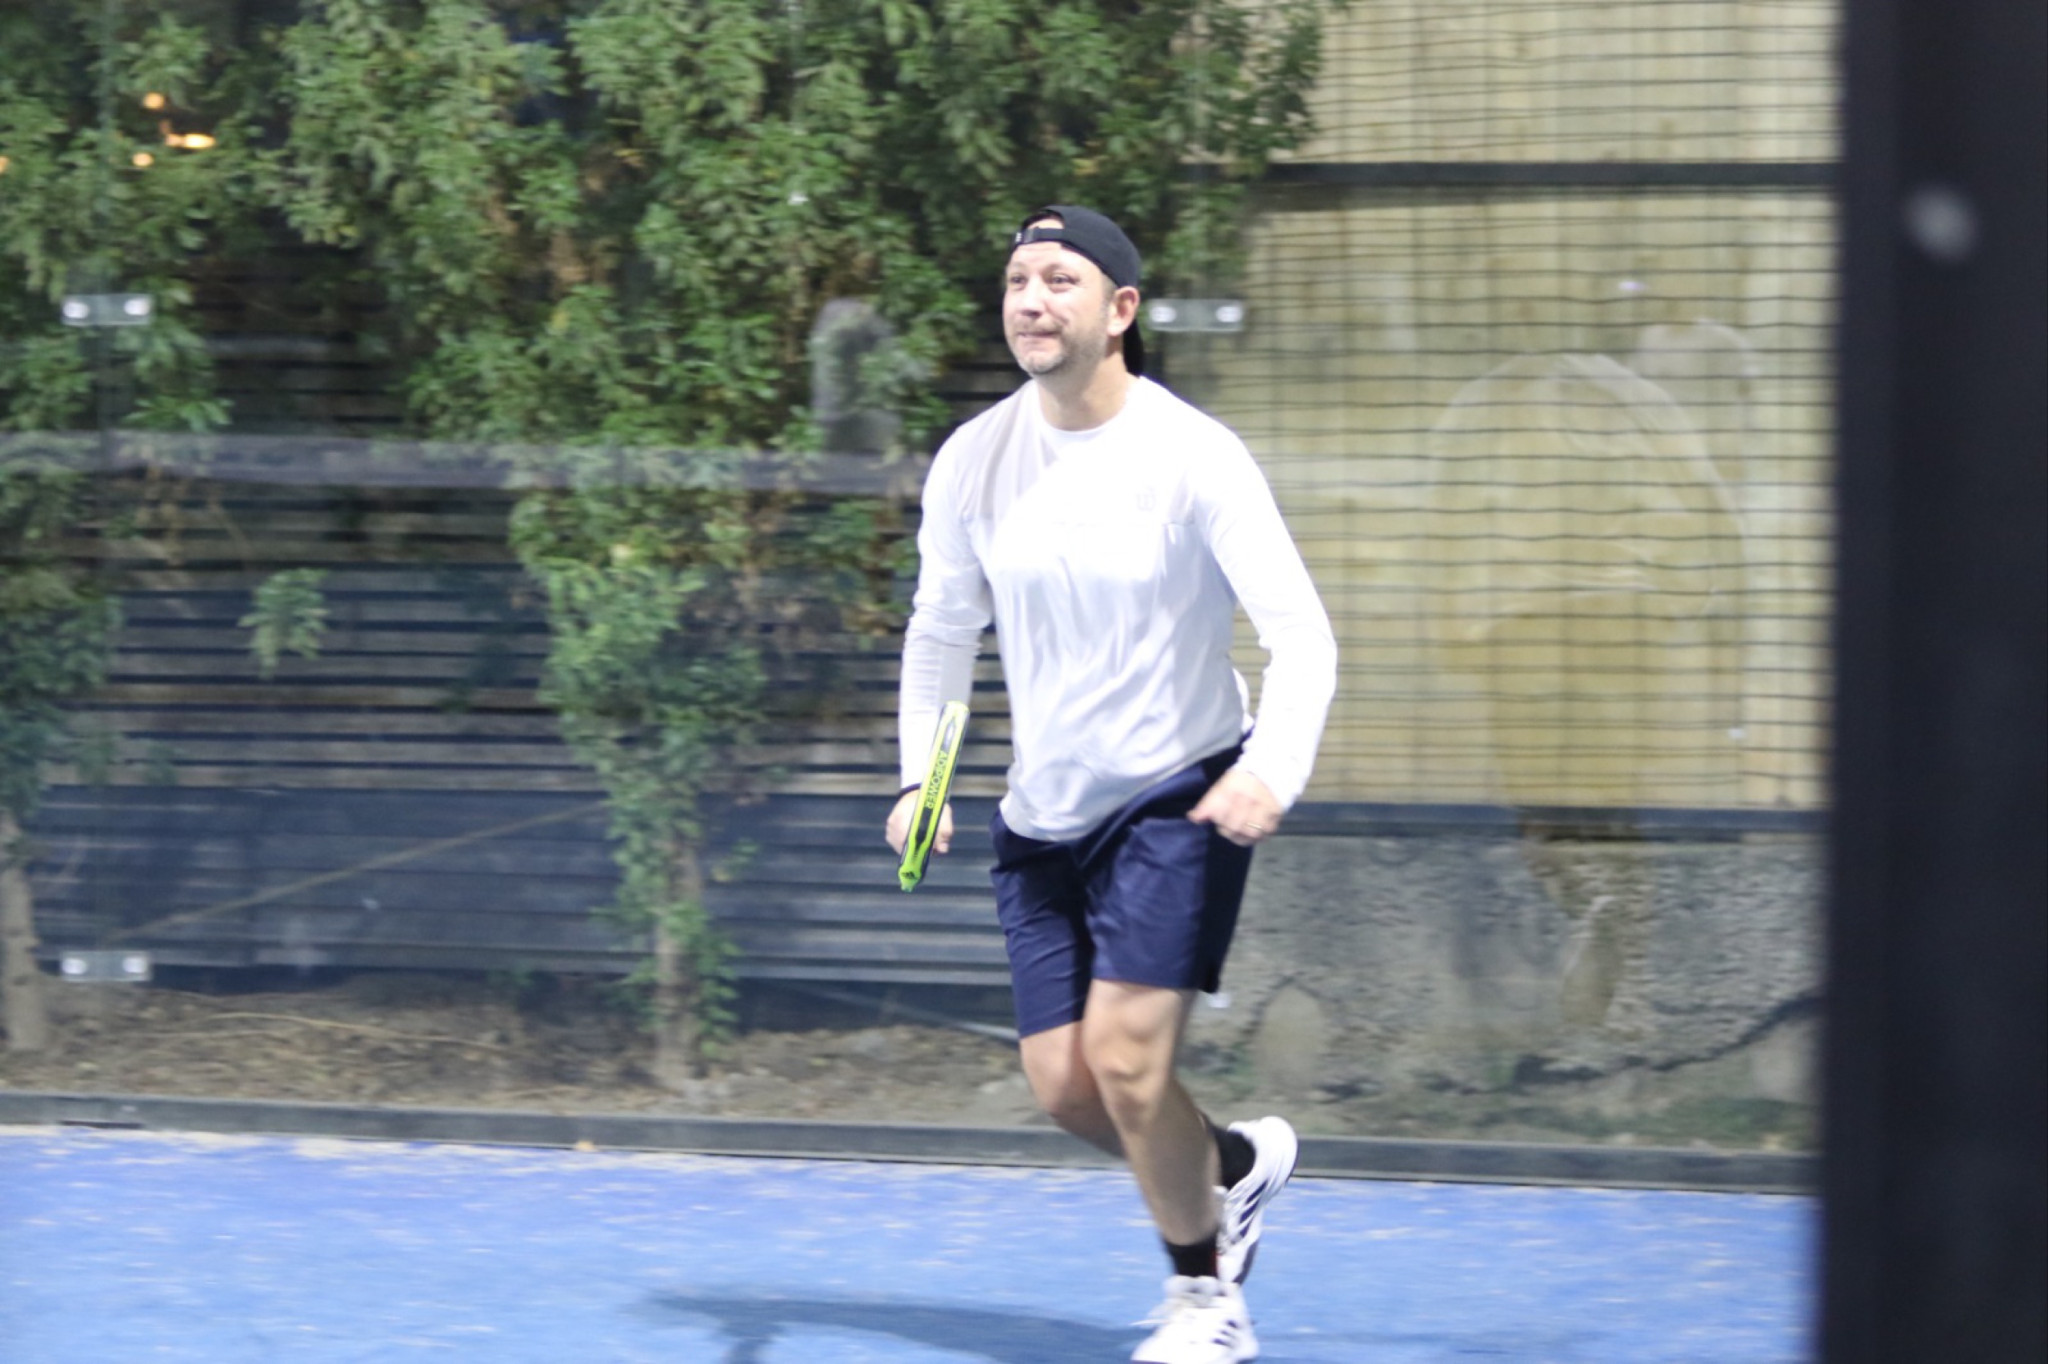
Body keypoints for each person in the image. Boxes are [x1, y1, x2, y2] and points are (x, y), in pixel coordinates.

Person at [885, 205, 1338, 1364]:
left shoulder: (1194, 455)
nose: (1031, 299)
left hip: (1176, 793)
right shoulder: (972, 459)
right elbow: (941, 632)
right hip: (1040, 815)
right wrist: (922, 778)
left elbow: (1301, 635)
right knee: (1070, 1087)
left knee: (1130, 1064)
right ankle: (1232, 1166)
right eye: (1016, 280)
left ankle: (1205, 1301)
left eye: (1060, 279)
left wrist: (1270, 766)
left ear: (1120, 309)